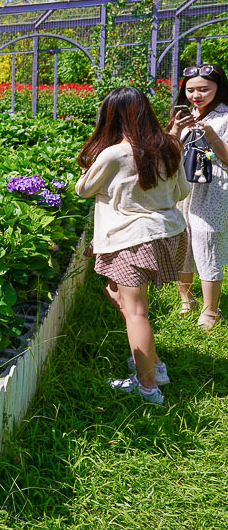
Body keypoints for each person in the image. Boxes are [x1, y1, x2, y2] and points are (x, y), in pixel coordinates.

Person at [76, 87, 190, 405]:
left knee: (136, 312)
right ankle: (153, 364)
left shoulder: (114, 154)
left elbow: (83, 189)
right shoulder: (169, 145)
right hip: (169, 233)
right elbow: (181, 191)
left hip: (132, 239)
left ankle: (149, 386)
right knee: (115, 293)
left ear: (111, 118)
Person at [168, 63, 228, 330]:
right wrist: (175, 132)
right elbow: (170, 153)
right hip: (185, 189)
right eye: (191, 90)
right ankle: (186, 301)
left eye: (204, 89)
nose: (196, 95)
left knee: (206, 240)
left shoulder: (225, 117)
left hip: (216, 189)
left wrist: (212, 135)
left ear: (219, 88)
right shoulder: (186, 114)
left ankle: (210, 311)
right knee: (183, 241)